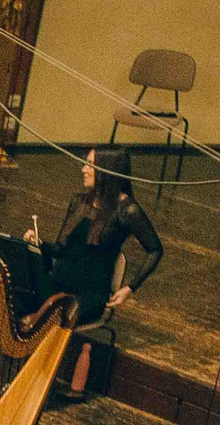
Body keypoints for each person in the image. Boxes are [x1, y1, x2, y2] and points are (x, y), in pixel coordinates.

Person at [31, 147, 160, 399]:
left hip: (90, 293)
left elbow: (155, 249)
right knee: (27, 298)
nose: (84, 169)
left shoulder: (127, 210)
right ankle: (31, 377)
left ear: (106, 171)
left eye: (90, 164)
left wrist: (129, 288)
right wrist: (39, 243)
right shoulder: (79, 201)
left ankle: (41, 380)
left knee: (57, 315)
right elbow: (61, 249)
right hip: (59, 281)